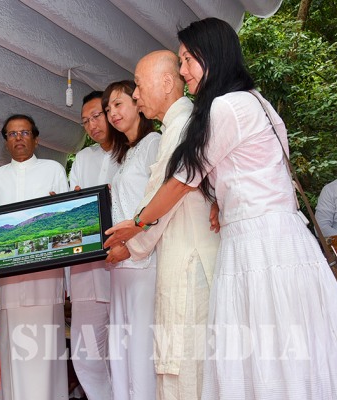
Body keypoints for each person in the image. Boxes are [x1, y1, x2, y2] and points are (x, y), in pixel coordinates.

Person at [105, 18, 337, 399]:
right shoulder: (258, 103)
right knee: (286, 361)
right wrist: (221, 204)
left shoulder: (225, 107)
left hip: (259, 248)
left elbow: (181, 181)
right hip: (281, 241)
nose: (183, 70)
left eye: (187, 60)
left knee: (260, 361)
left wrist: (137, 224)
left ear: (212, 56)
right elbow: (261, 171)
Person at [115, 50, 219, 400]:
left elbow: (162, 196)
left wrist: (128, 246)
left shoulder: (183, 126)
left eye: (138, 86)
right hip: (183, 255)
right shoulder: (177, 126)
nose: (136, 95)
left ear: (165, 83)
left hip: (190, 261)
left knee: (185, 369)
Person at [0, 114, 69, 400]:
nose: (18, 138)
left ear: (36, 139)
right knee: (13, 353)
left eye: (25, 132)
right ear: (5, 142)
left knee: (46, 353)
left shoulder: (53, 170)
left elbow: (67, 225)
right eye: (12, 134)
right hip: (9, 283)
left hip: (46, 280)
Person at [103, 80, 160, 400]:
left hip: (143, 263)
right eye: (108, 108)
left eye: (118, 104)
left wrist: (131, 246)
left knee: (140, 350)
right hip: (119, 266)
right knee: (120, 350)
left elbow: (159, 205)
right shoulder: (125, 155)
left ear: (138, 103)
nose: (112, 112)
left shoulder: (154, 143)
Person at [67, 90, 118, 400]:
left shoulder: (136, 152)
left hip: (125, 267)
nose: (91, 125)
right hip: (87, 272)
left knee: (125, 354)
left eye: (96, 116)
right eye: (85, 121)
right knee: (85, 356)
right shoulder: (83, 159)